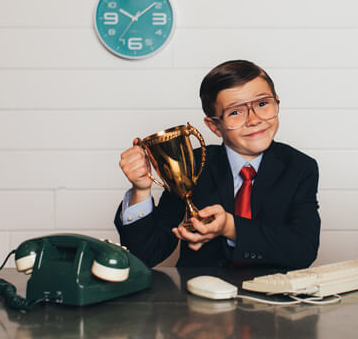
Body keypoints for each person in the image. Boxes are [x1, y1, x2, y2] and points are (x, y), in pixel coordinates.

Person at [114, 60, 321, 268]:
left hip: (273, 297)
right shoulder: (191, 165)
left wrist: (231, 228)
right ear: (214, 126)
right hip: (200, 295)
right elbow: (145, 255)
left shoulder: (300, 167)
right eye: (235, 112)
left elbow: (303, 250)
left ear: (276, 102)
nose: (254, 120)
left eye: (262, 104)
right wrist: (140, 190)